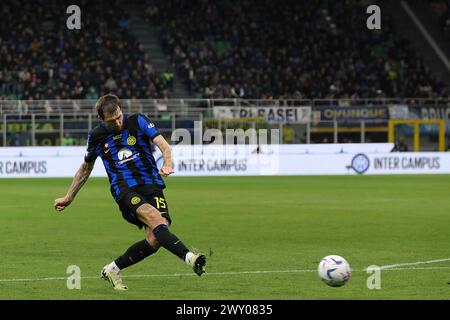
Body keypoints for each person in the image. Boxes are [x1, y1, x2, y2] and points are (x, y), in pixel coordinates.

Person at [53, 94, 206, 290]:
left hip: (152, 184)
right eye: (111, 120)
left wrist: (167, 164)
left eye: (118, 116)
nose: (117, 122)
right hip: (124, 188)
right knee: (155, 218)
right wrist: (69, 196)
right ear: (101, 119)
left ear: (120, 109)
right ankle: (190, 258)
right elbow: (85, 168)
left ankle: (113, 269)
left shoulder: (138, 120)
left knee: (156, 237)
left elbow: (163, 145)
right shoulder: (97, 136)